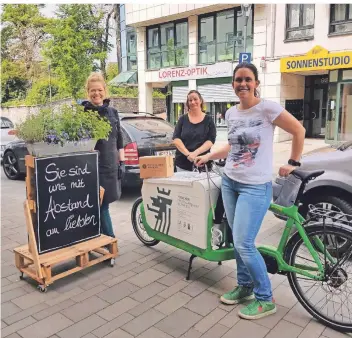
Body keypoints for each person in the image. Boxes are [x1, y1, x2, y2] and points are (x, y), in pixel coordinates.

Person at [195, 62, 305, 320]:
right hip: (230, 182)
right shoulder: (232, 113)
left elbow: (298, 130)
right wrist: (208, 155)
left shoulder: (268, 108)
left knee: (244, 243)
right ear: (232, 85)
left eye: (247, 79)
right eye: (237, 80)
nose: (242, 84)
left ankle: (265, 298)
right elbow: (232, 146)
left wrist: (293, 162)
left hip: (255, 186)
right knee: (237, 240)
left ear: (256, 83)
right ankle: (244, 287)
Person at [81, 72, 125, 238]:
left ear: (104, 90)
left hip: (110, 165)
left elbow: (119, 136)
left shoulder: (112, 112)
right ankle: (109, 240)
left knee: (102, 203)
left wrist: (122, 159)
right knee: (100, 205)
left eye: (99, 90)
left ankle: (98, 237)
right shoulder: (84, 112)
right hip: (90, 166)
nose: (96, 93)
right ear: (88, 92)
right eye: (93, 90)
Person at [172, 90, 216, 172]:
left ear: (200, 101)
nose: (193, 102)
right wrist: (188, 154)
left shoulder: (209, 120)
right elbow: (176, 139)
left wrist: (195, 153)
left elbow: (210, 140)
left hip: (203, 164)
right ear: (187, 103)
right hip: (182, 165)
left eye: (195, 99)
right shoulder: (182, 119)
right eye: (190, 100)